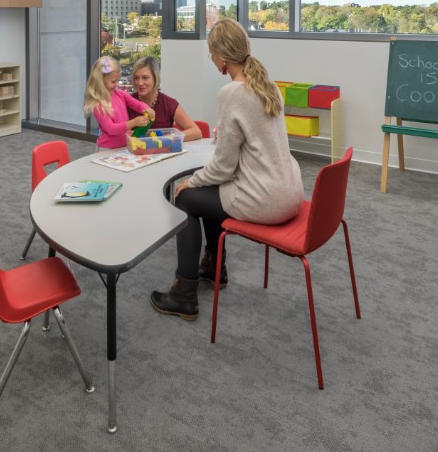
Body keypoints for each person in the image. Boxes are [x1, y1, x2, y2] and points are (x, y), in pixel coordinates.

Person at [150, 19, 304, 321]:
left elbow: (223, 167)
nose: (211, 59)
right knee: (206, 193)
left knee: (186, 198)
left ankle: (184, 293)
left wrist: (191, 181)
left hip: (266, 198)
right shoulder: (268, 86)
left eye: (211, 53)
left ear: (221, 56)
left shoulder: (232, 92)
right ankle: (213, 267)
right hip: (289, 190)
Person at [85, 55, 153, 149]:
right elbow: (111, 129)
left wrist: (146, 108)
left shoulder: (120, 94)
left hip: (124, 146)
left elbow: (136, 104)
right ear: (101, 82)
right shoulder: (98, 105)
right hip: (107, 149)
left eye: (118, 81)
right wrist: (133, 123)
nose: (116, 84)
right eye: (113, 82)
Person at [130, 56, 202, 143]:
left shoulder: (168, 103)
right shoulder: (126, 102)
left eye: (145, 77)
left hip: (163, 154)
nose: (140, 83)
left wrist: (167, 139)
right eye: (136, 78)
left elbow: (196, 132)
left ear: (155, 78)